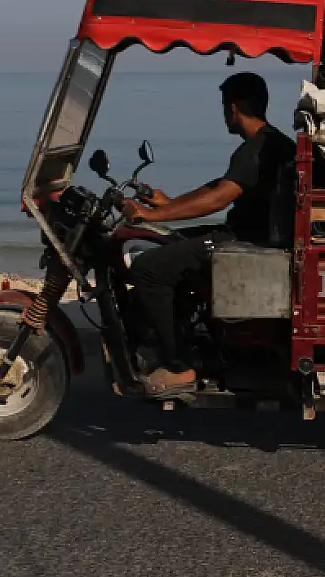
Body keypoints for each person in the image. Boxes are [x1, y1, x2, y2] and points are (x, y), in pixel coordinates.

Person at [122, 72, 295, 397]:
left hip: (245, 240)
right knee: (168, 241)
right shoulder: (271, 142)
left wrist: (151, 214)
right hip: (247, 234)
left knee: (148, 269)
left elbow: (219, 198)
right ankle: (183, 336)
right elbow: (220, 185)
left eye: (223, 107)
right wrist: (171, 203)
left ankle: (179, 366)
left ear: (233, 108)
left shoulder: (255, 149)